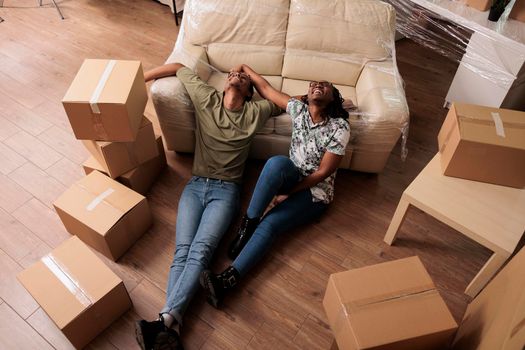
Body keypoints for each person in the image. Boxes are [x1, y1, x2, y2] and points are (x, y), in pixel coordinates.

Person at [135, 63, 281, 350]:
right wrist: (143, 77)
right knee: (181, 254)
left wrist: (251, 73)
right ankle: (170, 328)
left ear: (249, 91)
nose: (235, 77)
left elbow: (282, 100)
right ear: (224, 85)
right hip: (195, 186)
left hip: (226, 194)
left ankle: (165, 323)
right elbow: (179, 67)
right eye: (231, 76)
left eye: (241, 79)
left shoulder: (256, 111)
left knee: (200, 252)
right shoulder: (206, 97)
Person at [200, 64, 350, 307]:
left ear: (333, 97)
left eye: (325, 85)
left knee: (270, 224)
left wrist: (286, 194)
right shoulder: (298, 109)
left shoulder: (340, 127)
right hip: (294, 175)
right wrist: (243, 68)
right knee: (275, 163)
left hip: (315, 192)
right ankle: (247, 227)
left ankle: (226, 282)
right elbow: (265, 89)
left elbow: (323, 172)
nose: (317, 85)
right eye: (313, 84)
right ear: (307, 95)